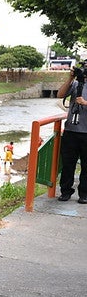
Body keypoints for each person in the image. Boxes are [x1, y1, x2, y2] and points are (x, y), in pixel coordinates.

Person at [56, 72, 87, 203]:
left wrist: (85, 103)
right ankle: (65, 191)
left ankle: (84, 194)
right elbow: (60, 94)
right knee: (68, 164)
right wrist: (70, 78)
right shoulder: (75, 84)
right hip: (71, 131)